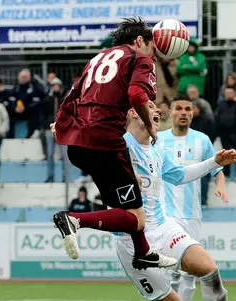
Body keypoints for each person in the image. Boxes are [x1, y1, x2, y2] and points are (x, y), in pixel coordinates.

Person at [108, 102, 236, 301]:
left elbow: (180, 175)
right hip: (132, 241)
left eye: (156, 107)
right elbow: (89, 151)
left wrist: (214, 162)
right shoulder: (117, 145)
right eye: (149, 105)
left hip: (164, 226)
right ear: (131, 112)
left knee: (208, 269)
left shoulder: (157, 152)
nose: (156, 109)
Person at [52, 17, 175, 269]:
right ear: (140, 41)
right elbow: (136, 94)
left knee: (130, 197)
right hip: (104, 140)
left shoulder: (97, 59)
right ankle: (73, 219)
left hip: (78, 143)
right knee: (135, 218)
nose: (153, 55)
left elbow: (74, 94)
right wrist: (151, 124)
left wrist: (61, 124)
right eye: (152, 48)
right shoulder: (139, 58)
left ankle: (142, 252)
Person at [158, 94, 229, 301]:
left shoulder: (202, 140)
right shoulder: (158, 140)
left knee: (190, 275)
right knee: (170, 270)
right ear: (170, 112)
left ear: (193, 113)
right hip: (166, 215)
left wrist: (221, 185)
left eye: (188, 109)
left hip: (192, 215)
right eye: (178, 108)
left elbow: (217, 169)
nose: (183, 113)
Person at [215, 87, 236, 181]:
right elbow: (217, 118)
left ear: (234, 94)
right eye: (227, 93)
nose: (229, 94)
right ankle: (226, 174)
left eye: (230, 93)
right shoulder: (221, 105)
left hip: (235, 134)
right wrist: (219, 132)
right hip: (223, 134)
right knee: (224, 154)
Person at [43, 78, 66, 183]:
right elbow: (44, 114)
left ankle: (65, 176)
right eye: (54, 86)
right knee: (50, 154)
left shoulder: (64, 100)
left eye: (57, 86)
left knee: (64, 155)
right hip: (50, 128)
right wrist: (45, 126)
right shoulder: (47, 99)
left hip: (61, 130)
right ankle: (50, 176)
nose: (56, 88)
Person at [9, 69, 43, 138]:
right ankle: (9, 135)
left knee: (37, 111)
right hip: (17, 111)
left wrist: (25, 107)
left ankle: (33, 133)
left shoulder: (34, 88)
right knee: (8, 110)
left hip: (29, 111)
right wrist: (15, 107)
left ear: (29, 78)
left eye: (25, 77)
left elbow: (36, 101)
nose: (23, 78)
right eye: (22, 77)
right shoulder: (16, 87)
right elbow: (11, 99)